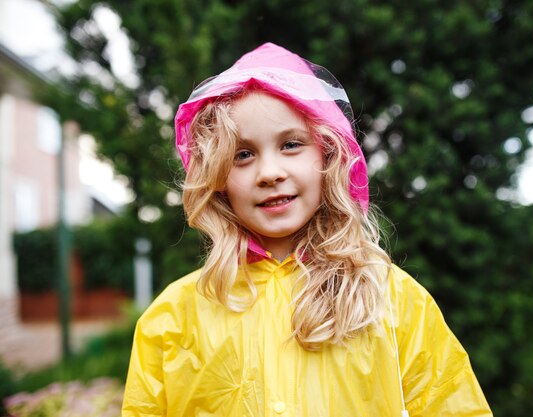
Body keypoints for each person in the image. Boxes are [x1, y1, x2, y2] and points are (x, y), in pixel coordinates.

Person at [122, 42, 492, 417]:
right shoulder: (173, 317)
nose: (270, 173)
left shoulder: (390, 298)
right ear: (217, 176)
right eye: (243, 155)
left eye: (291, 145)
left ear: (328, 156)